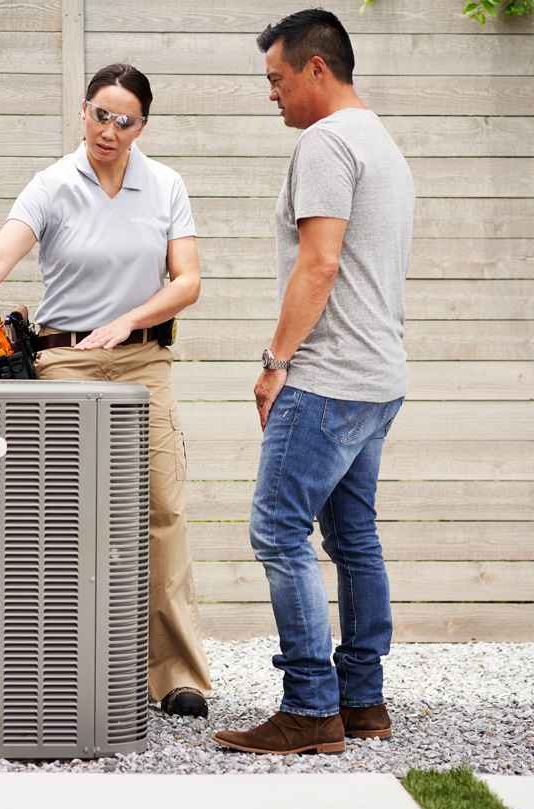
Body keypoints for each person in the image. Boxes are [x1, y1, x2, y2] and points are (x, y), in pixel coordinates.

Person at [0, 63, 214, 717]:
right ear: (83, 112)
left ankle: (177, 674)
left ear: (142, 126)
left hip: (142, 364)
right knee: (54, 522)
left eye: (124, 120)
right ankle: (51, 661)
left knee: (161, 514)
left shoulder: (166, 187)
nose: (109, 129)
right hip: (64, 365)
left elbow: (187, 281)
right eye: (100, 114)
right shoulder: (51, 185)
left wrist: (130, 318)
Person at [213, 10, 414, 755]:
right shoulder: (381, 142)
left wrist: (275, 363)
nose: (273, 95)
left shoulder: (327, 142)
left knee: (277, 529)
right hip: (378, 374)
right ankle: (363, 702)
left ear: (316, 69)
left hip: (327, 378)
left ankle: (309, 707)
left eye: (276, 79)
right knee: (353, 536)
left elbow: (321, 262)